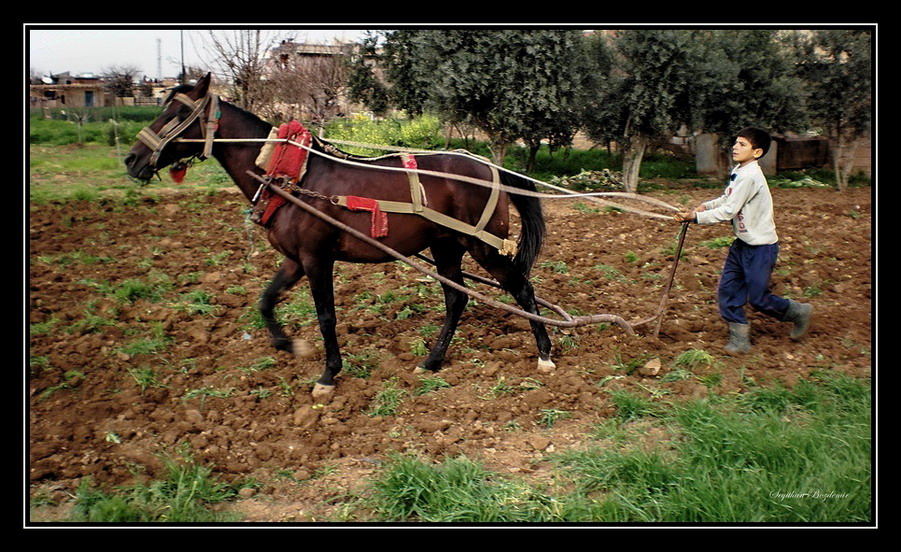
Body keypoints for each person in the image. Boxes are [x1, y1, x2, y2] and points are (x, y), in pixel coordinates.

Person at [674, 127, 812, 353]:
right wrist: (705, 206)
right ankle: (740, 340)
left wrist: (696, 217)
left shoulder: (750, 176)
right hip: (742, 245)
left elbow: (728, 211)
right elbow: (727, 199)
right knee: (728, 291)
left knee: (758, 299)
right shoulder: (741, 171)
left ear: (757, 152)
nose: (735, 147)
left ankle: (798, 312)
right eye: (736, 143)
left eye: (742, 144)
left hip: (761, 248)